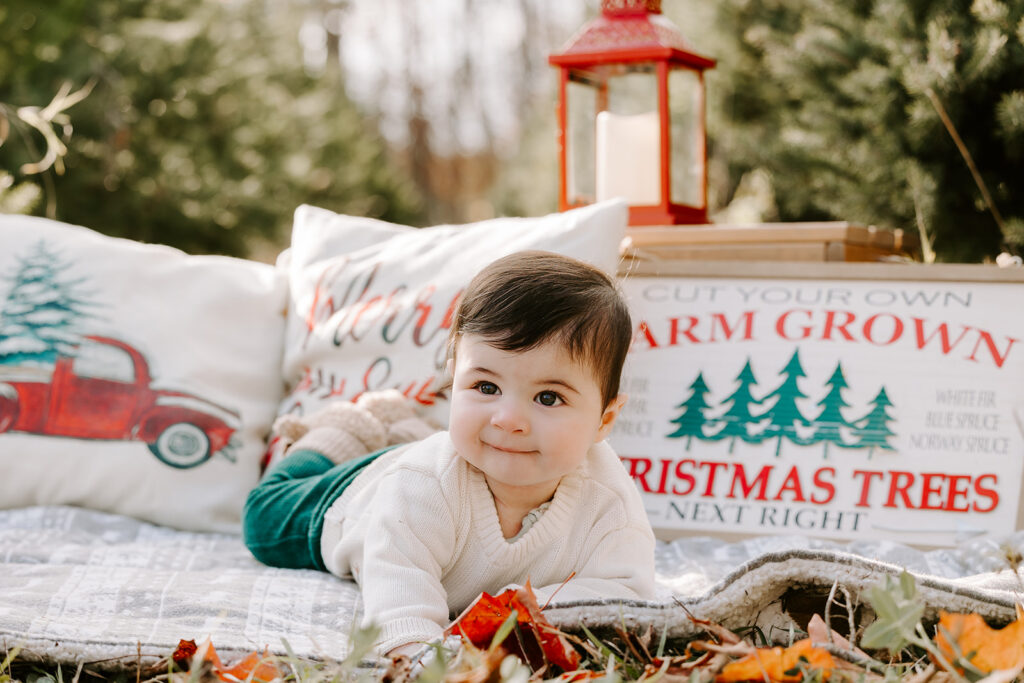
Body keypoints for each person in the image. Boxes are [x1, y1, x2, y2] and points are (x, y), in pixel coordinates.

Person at [243, 250, 658, 659]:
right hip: (354, 496)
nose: (508, 420)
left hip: (424, 453)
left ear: (604, 420)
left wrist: (522, 607)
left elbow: (624, 596)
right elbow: (399, 608)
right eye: (486, 387)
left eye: (548, 397)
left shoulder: (610, 501)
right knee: (263, 519)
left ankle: (400, 426)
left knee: (422, 453)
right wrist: (426, 661)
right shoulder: (421, 485)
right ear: (454, 380)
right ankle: (340, 431)